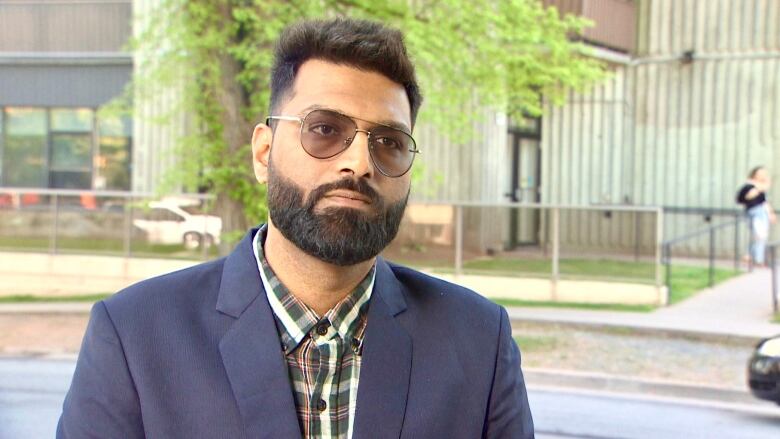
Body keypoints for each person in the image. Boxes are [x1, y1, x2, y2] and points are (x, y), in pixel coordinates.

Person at [57, 18, 534, 438]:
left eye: (388, 141)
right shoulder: (136, 337)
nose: (358, 163)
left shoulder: (478, 342)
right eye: (325, 128)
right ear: (263, 152)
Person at [736, 166, 777, 268]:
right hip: (754, 212)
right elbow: (741, 199)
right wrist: (759, 186)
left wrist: (770, 213)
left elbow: (764, 202)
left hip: (762, 212)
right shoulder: (748, 186)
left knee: (761, 236)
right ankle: (757, 259)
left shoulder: (759, 188)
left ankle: (751, 255)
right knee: (759, 235)